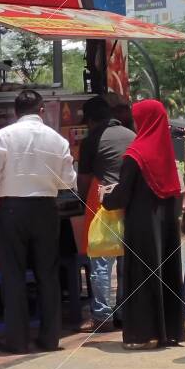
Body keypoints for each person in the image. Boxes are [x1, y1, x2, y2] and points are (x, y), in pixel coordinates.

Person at [0, 89, 77, 354]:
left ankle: (17, 340)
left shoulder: (4, 136)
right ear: (42, 110)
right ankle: (49, 339)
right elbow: (69, 181)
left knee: (13, 275)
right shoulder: (57, 140)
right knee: (48, 274)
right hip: (46, 209)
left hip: (11, 209)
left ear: (15, 111)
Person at [101, 100, 185, 350]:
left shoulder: (136, 154)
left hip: (141, 224)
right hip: (166, 225)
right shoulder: (166, 154)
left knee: (140, 276)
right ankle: (166, 332)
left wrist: (106, 198)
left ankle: (143, 334)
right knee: (166, 273)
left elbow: (123, 194)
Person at [77, 96, 135, 331]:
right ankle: (123, 311)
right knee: (125, 261)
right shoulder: (131, 135)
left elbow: (83, 181)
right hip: (130, 203)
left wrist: (81, 200)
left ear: (91, 121)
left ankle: (101, 316)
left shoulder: (92, 140)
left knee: (101, 261)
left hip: (104, 204)